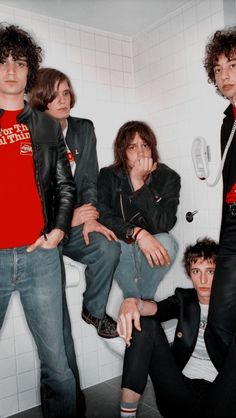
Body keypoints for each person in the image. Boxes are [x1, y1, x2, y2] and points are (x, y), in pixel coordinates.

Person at [0, 24, 83, 418]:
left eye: (18, 62)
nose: (10, 70)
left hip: (40, 256)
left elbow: (65, 187)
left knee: (58, 367)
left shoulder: (47, 126)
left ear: (29, 69)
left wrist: (59, 230)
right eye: (2, 62)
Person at [29, 68, 121, 338]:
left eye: (66, 93)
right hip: (45, 231)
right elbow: (31, 196)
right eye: (54, 95)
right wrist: (67, 219)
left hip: (79, 223)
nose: (63, 100)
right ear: (40, 99)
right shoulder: (31, 137)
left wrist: (90, 218)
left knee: (109, 248)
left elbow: (90, 179)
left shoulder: (83, 129)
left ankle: (94, 310)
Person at [117, 239, 236, 418]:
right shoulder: (184, 298)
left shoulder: (231, 305)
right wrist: (133, 303)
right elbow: (157, 309)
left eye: (210, 271)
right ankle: (127, 414)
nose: (203, 279)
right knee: (145, 323)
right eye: (196, 271)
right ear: (190, 274)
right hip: (178, 392)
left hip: (221, 397)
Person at [97, 120, 180, 301]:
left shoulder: (168, 177)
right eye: (132, 147)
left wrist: (138, 183)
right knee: (110, 244)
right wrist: (137, 233)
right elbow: (103, 216)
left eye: (145, 145)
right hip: (122, 245)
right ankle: (137, 299)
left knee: (167, 242)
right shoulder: (108, 176)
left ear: (152, 149)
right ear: (123, 152)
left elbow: (163, 224)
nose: (141, 152)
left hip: (149, 251)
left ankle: (139, 299)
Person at [203, 27, 236, 370]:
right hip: (231, 227)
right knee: (218, 327)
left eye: (232, 65)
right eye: (218, 69)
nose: (224, 76)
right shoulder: (228, 122)